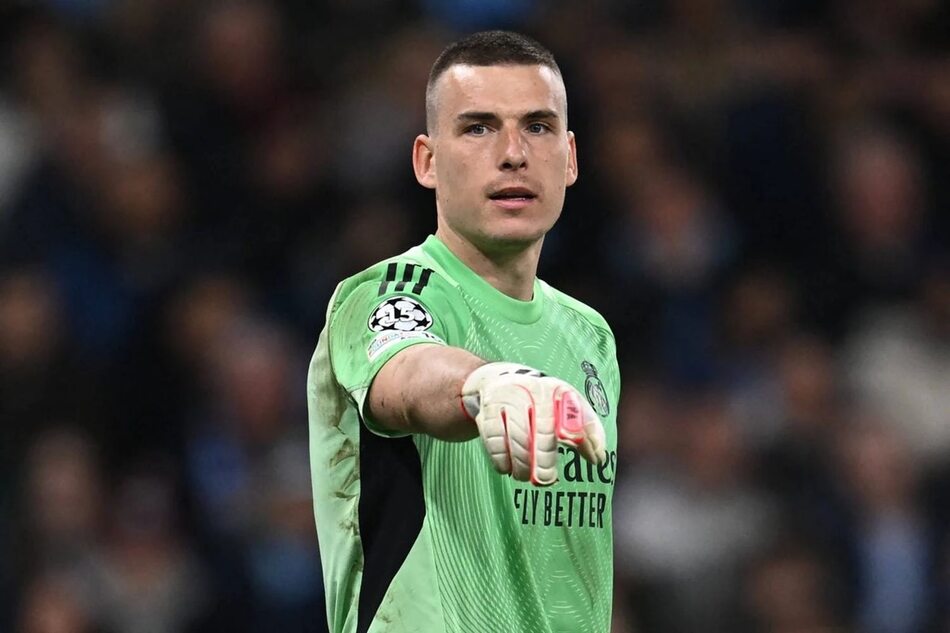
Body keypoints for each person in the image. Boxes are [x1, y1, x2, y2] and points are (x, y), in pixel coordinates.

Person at [307, 30, 620, 633]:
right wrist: (484, 384)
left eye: (538, 127)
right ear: (427, 161)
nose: (513, 153)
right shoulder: (387, 293)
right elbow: (408, 373)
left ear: (570, 157)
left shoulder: (591, 336)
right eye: (478, 128)